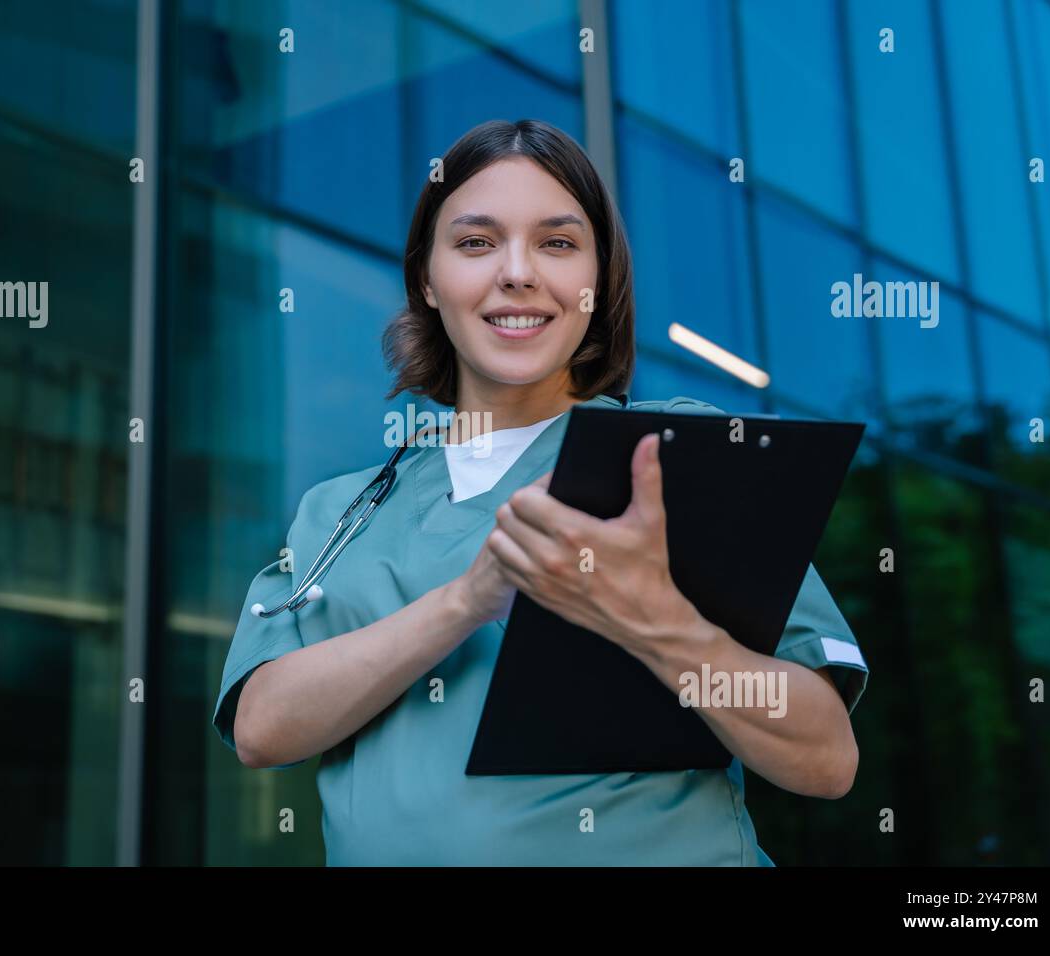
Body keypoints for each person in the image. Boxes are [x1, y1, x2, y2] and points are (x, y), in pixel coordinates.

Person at [211, 118, 869, 866]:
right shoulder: (344, 511)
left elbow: (825, 756)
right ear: (427, 279)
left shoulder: (673, 455)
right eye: (475, 242)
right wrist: (470, 599)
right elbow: (261, 730)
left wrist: (657, 621)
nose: (517, 273)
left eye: (557, 243)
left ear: (598, 280)